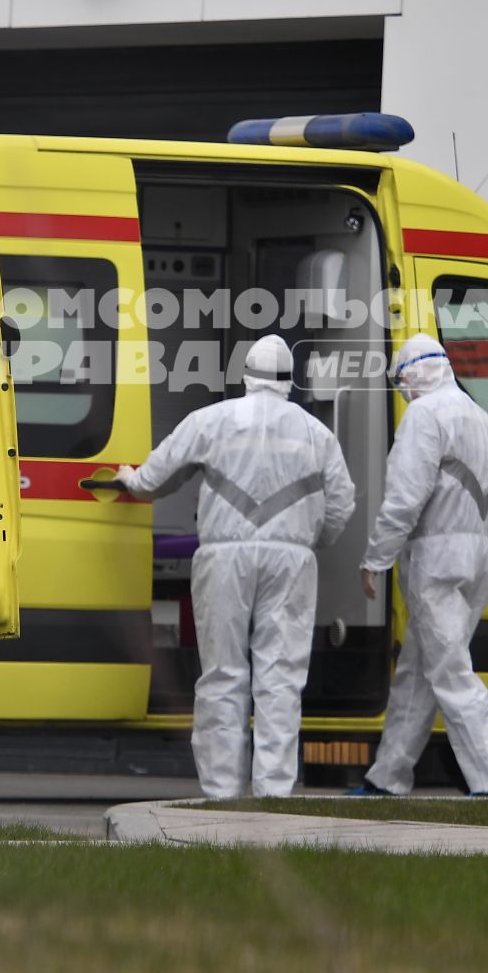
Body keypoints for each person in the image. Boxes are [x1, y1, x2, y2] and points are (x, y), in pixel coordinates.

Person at [117, 334, 356, 799]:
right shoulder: (317, 433)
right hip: (291, 563)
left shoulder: (211, 420)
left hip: (224, 557)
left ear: (245, 374)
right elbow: (342, 504)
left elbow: (154, 479)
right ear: (291, 381)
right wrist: (309, 542)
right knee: (281, 678)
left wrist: (129, 479)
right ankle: (273, 796)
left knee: (223, 675)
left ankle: (222, 793)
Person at [352, 331, 488, 798]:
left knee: (450, 674)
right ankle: (387, 779)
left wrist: (375, 559)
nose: (401, 392)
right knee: (417, 674)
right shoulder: (483, 419)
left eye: (401, 382)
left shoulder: (423, 417)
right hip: (476, 563)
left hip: (436, 562)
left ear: (410, 376)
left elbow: (404, 500)